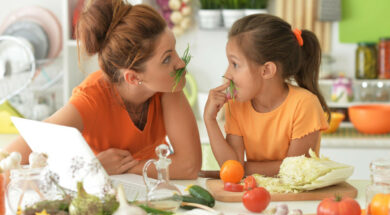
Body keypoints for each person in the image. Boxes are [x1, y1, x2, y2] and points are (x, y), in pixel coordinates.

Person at [5, 0, 201, 179]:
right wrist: (93, 166)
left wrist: (128, 167)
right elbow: (9, 158)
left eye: (174, 49)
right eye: (166, 59)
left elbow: (189, 166)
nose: (180, 63)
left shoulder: (168, 86)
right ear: (133, 77)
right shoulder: (90, 99)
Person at [204, 14, 329, 177]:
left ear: (267, 70)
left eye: (235, 64)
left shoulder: (305, 104)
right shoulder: (236, 105)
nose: (227, 74)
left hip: (297, 199)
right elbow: (231, 166)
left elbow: (294, 169)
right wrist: (210, 120)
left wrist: (243, 169)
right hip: (255, 194)